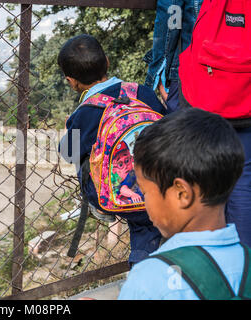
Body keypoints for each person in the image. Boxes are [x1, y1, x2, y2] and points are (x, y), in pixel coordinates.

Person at [57, 34, 167, 266]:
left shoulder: (85, 112)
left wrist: (71, 127)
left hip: (121, 192)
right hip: (160, 181)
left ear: (71, 81)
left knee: (85, 154)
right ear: (107, 61)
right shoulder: (141, 93)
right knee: (149, 226)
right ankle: (153, 261)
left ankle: (103, 207)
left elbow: (69, 153)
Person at [118, 108, 248, 299]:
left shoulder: (149, 279)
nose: (145, 203)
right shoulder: (246, 259)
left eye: (145, 192)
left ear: (182, 194)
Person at [144, 0, 203, 112]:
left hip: (187, 69)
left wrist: (158, 71)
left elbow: (171, 15)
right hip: (233, 70)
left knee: (183, 125)